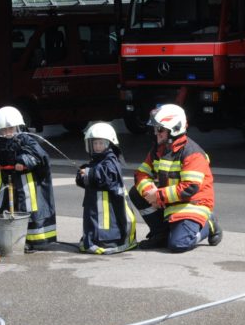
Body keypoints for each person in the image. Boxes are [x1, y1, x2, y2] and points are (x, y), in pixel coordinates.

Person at [130, 103, 222, 252]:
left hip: (193, 204)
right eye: (155, 128)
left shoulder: (192, 153)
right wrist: (149, 191)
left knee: (179, 244)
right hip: (170, 202)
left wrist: (158, 195)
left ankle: (208, 223)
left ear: (175, 129)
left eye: (160, 129)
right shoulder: (159, 149)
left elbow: (189, 188)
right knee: (136, 192)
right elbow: (141, 173)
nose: (156, 133)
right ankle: (161, 234)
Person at [0, 105, 57, 251]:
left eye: (11, 129)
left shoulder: (27, 140)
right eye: (3, 130)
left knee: (27, 210)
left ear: (19, 127)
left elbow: (41, 157)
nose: (7, 133)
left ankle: (30, 241)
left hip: (24, 185)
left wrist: (24, 161)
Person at [75, 121, 138, 254]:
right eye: (95, 143)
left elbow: (103, 177)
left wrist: (88, 173)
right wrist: (82, 174)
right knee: (94, 224)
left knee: (107, 226)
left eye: (101, 143)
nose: (97, 147)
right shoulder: (95, 161)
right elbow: (89, 180)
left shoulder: (111, 160)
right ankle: (92, 239)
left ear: (109, 144)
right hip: (95, 208)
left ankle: (106, 242)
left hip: (108, 208)